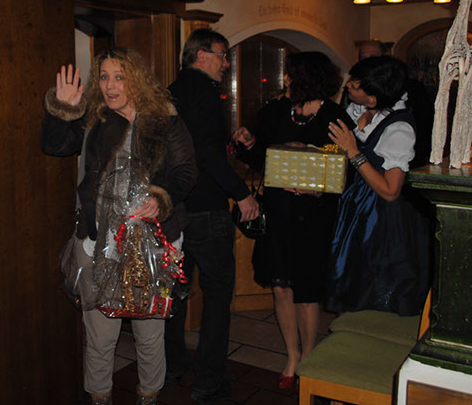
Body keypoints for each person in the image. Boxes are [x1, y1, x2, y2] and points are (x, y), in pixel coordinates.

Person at [41, 47, 197, 405]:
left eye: (119, 77)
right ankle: (99, 399)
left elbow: (186, 171)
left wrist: (161, 198)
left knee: (149, 334)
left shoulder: (165, 118)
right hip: (98, 244)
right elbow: (55, 146)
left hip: (153, 246)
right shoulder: (96, 118)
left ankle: (148, 397)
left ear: (137, 79)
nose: (110, 86)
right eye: (104, 77)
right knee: (99, 336)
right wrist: (63, 111)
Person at [232, 51, 354, 391]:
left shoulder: (334, 117)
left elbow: (349, 170)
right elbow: (260, 157)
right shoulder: (274, 111)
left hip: (314, 215)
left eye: (291, 74)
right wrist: (248, 143)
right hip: (279, 211)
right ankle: (292, 355)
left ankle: (310, 356)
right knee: (280, 285)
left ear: (309, 78)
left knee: (306, 289)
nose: (285, 79)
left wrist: (317, 186)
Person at [164, 28, 259, 405]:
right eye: (222, 55)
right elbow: (203, 153)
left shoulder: (172, 90)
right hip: (206, 208)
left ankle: (171, 367)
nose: (226, 64)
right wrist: (242, 192)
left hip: (176, 210)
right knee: (218, 298)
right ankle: (208, 382)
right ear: (201, 55)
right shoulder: (204, 92)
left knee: (175, 294)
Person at [326, 56, 433, 316]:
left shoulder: (398, 129)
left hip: (382, 218)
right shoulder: (360, 111)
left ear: (373, 98)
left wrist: (353, 152)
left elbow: (390, 191)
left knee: (374, 285)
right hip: (358, 206)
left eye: (355, 84)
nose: (347, 85)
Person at [349, 40, 434, 169]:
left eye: (373, 57)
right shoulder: (356, 102)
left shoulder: (399, 124)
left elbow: (423, 127)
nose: (368, 62)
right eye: (363, 58)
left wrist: (354, 153)